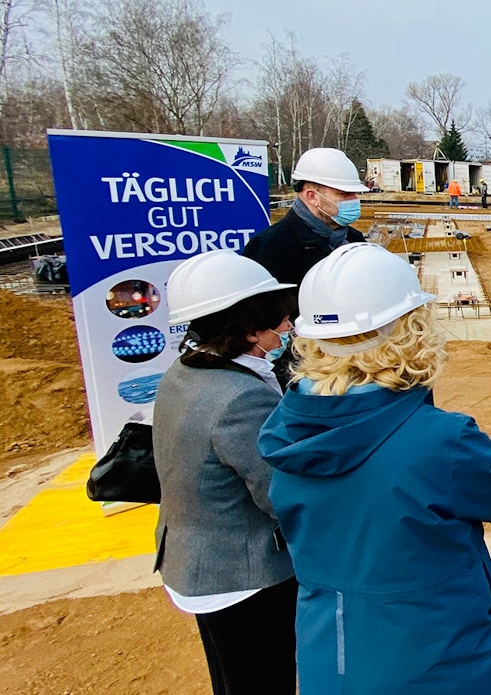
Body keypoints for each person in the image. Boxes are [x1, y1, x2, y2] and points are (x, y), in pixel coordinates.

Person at [259, 243, 491, 694]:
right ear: (410, 329)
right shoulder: (442, 440)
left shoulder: (287, 433)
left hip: (332, 661)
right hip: (440, 665)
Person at [151, 250, 298, 694]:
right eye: (280, 321)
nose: (288, 327)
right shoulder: (240, 397)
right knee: (262, 679)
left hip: (196, 560)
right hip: (242, 574)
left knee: (232, 677)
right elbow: (278, 495)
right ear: (250, 329)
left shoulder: (185, 371)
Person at [243, 147, 368, 287]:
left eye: (355, 193)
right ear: (312, 196)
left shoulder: (355, 240)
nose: (354, 200)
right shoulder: (268, 248)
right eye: (344, 194)